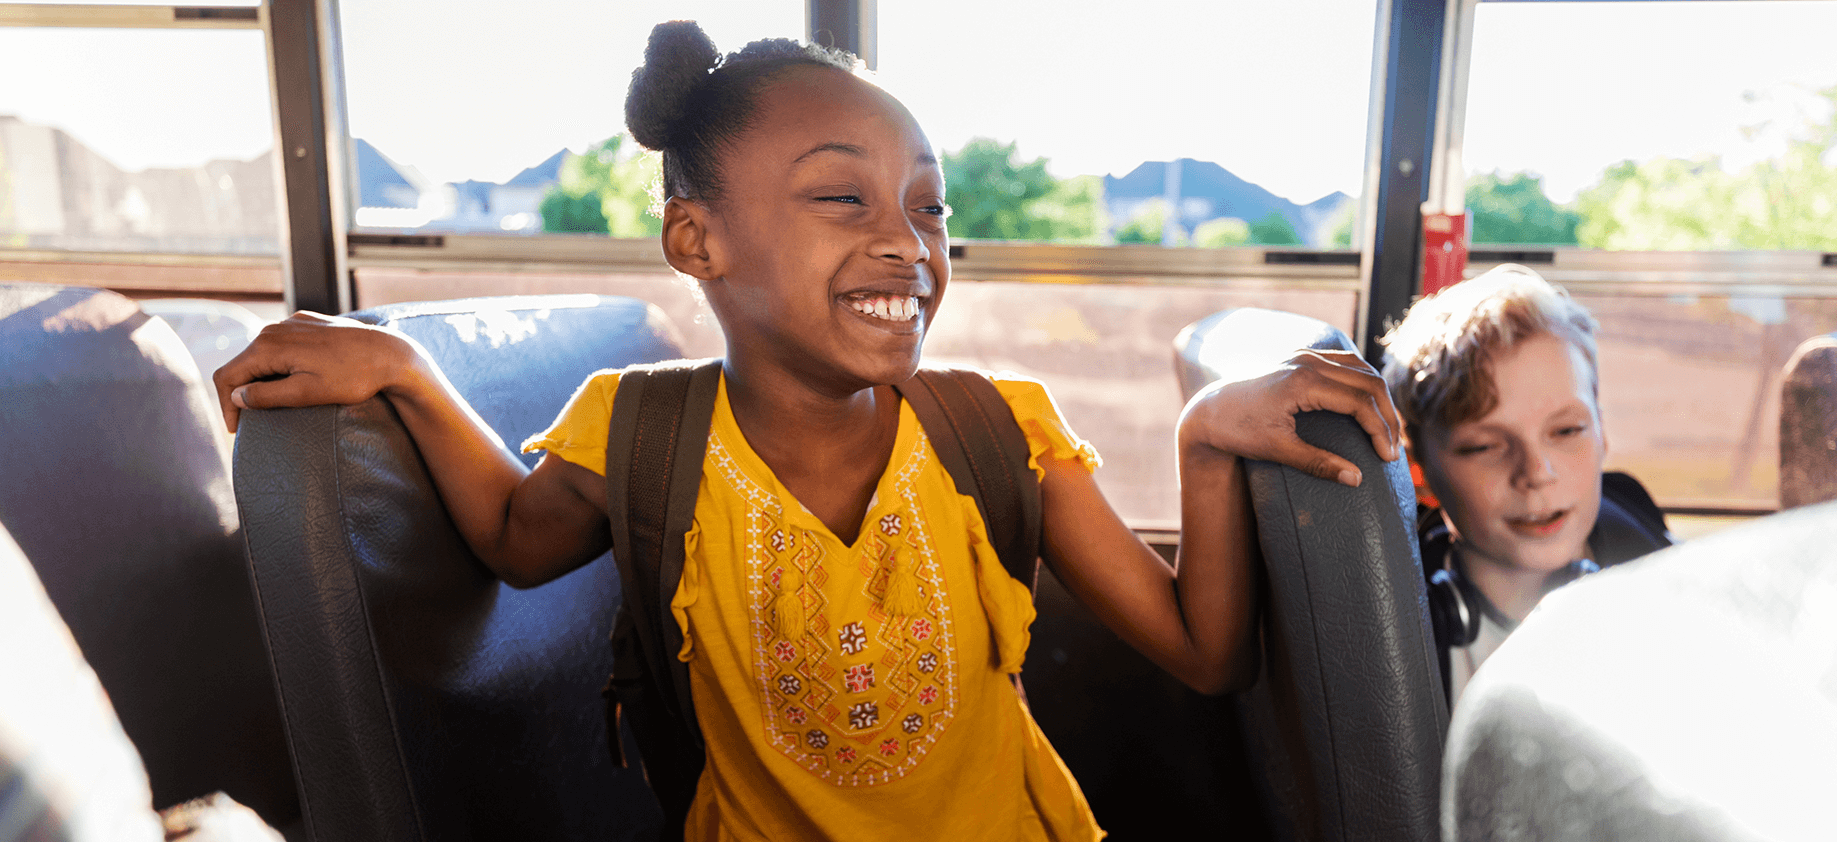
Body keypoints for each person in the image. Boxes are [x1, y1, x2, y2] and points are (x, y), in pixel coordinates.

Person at [213, 22, 1400, 841]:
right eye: (845, 197)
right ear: (697, 241)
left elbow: (1207, 652)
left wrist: (1202, 439)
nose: (907, 240)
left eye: (929, 206)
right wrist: (411, 374)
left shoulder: (1003, 428)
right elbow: (517, 541)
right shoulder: (640, 432)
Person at [1380, 264, 1671, 702]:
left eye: (1566, 431)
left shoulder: (1677, 590)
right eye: (1484, 447)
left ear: (1602, 432)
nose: (1536, 473)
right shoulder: (1392, 640)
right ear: (1418, 470)